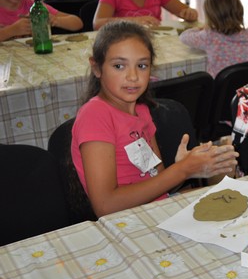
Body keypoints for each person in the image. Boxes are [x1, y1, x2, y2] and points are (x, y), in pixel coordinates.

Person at [71, 21, 238, 217]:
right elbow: (105, 205)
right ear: (97, 68)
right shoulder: (94, 115)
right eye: (119, 66)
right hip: (126, 221)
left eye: (142, 66)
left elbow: (157, 181)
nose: (133, 76)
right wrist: (181, 170)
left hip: (156, 211)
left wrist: (186, 167)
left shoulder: (141, 110)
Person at [179, 0, 248, 77]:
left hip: (220, 86)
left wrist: (201, 28)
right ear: (239, 8)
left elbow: (183, 37)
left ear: (209, 15)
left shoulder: (209, 36)